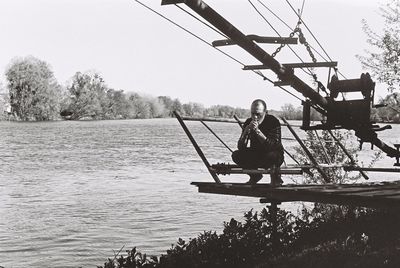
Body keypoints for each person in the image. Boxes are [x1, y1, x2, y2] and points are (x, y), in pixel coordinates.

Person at [231, 99, 284, 184]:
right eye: (253, 114)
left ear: (265, 112)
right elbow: (241, 147)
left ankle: (275, 178)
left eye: (258, 114)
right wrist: (245, 132)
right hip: (256, 154)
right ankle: (255, 176)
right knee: (236, 155)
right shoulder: (249, 122)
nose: (255, 117)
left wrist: (258, 132)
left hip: (272, 154)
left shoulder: (273, 122)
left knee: (273, 156)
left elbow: (273, 146)